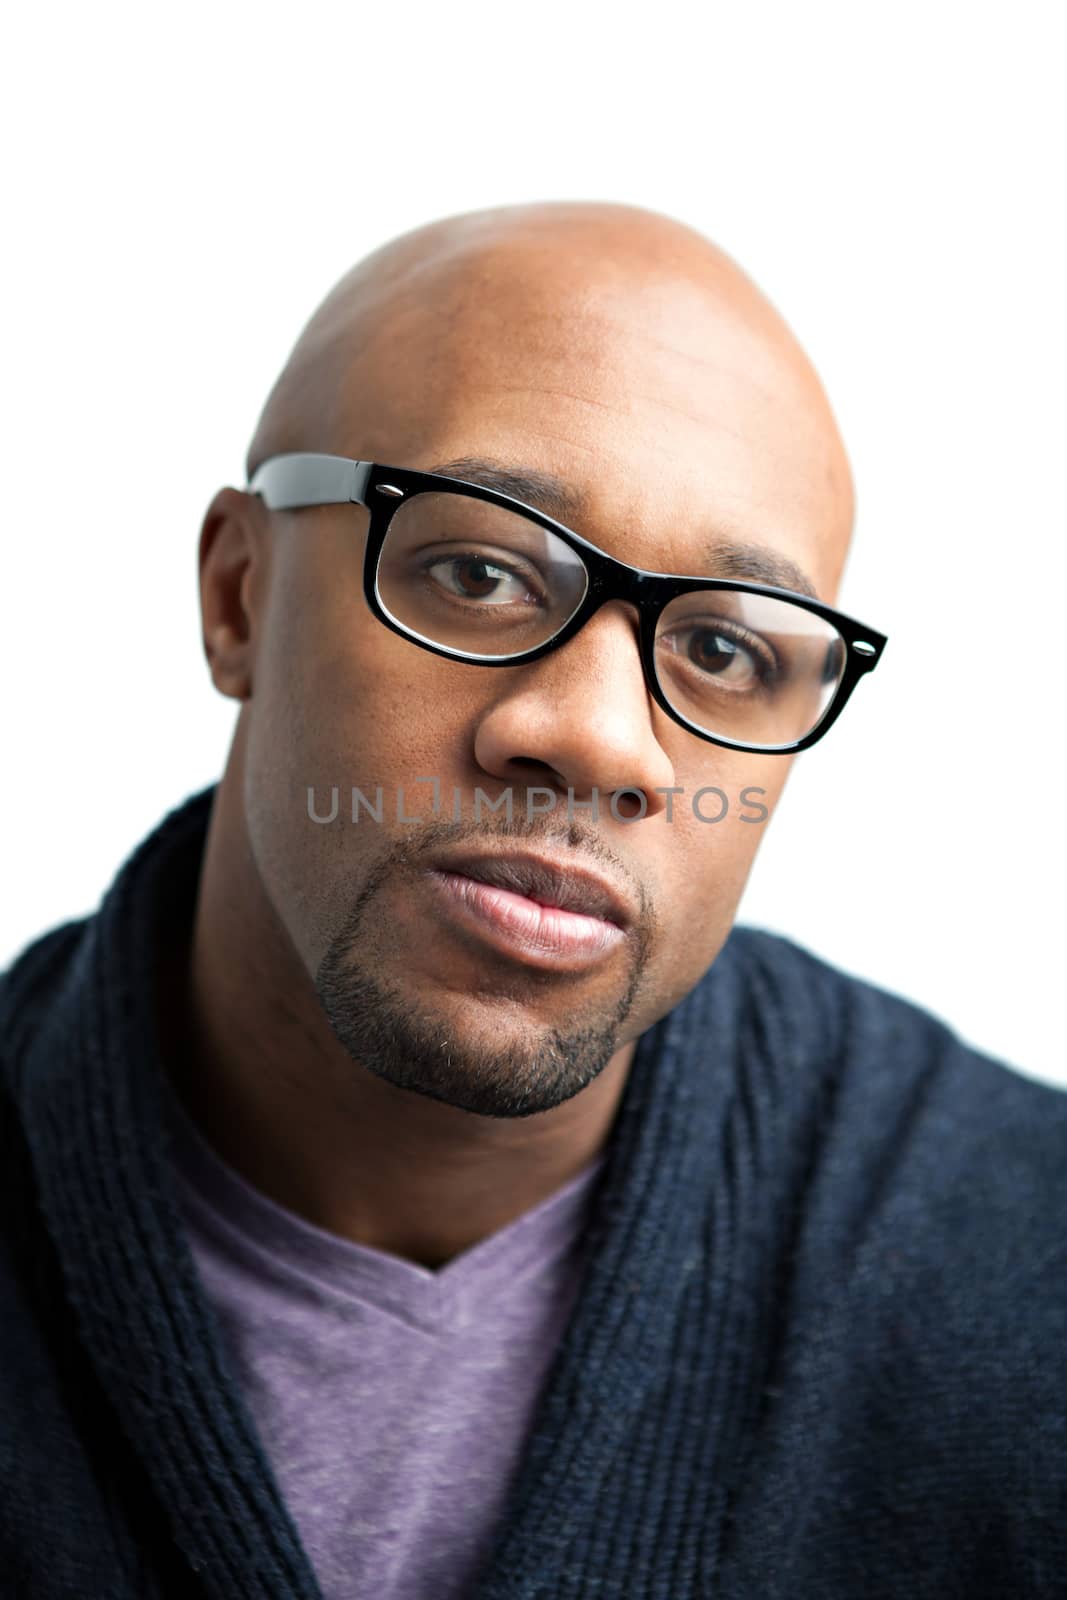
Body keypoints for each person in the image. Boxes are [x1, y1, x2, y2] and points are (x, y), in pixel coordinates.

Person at [2, 199, 1064, 1600]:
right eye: (482, 571)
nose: (599, 739)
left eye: (731, 651)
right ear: (238, 595)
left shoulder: (1024, 1269)